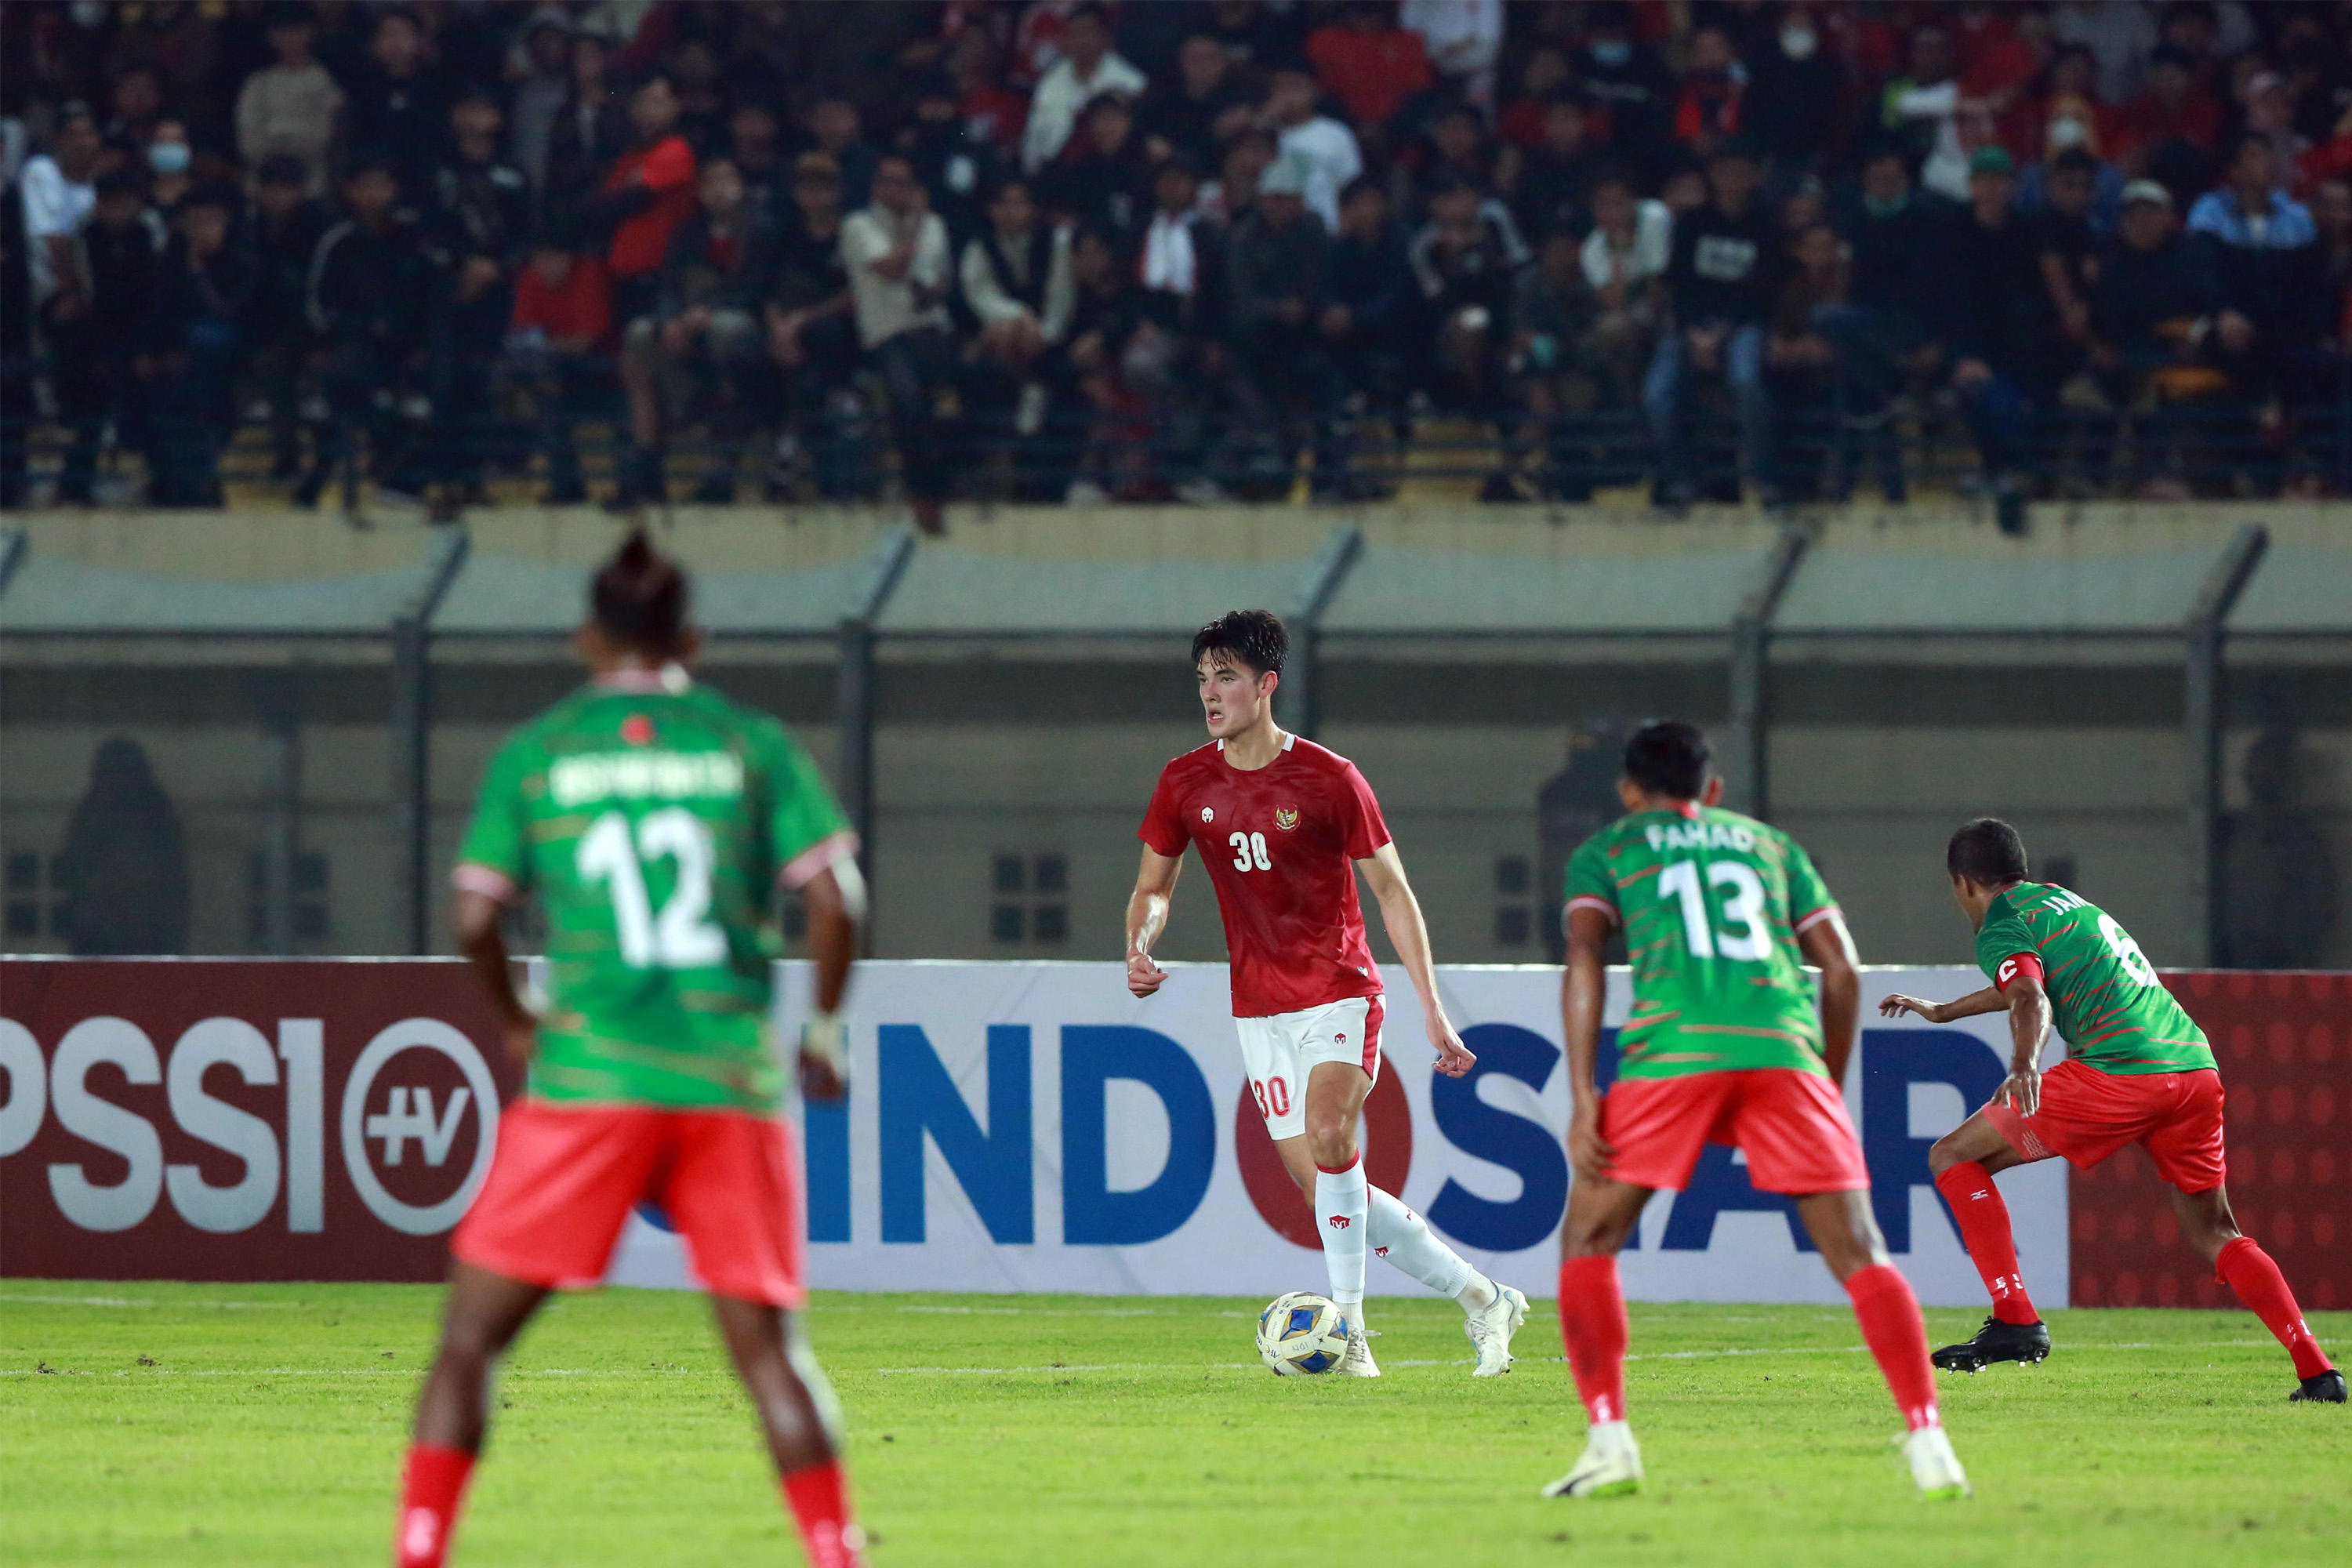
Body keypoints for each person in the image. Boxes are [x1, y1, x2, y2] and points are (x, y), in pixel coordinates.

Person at [394, 531, 873, 1568]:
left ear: (586, 638)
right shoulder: (750, 743)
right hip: (726, 1084)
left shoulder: (541, 751)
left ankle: (420, 1553)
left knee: (470, 1342)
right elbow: (837, 900)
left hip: (590, 1081)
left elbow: (475, 918)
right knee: (772, 1359)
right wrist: (824, 1029)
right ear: (691, 637)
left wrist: (519, 1023)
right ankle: (837, 1553)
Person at [1544, 720, 1967, 1501]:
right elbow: (1842, 969)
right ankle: (1930, 1438)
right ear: (1712, 789)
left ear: (1629, 790)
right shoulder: (1772, 847)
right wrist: (1825, 1081)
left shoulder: (1610, 848)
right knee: (1861, 1251)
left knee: (1589, 1235)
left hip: (1674, 1052)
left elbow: (1584, 961)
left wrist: (1582, 1095)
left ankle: (1609, 1442)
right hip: (1782, 1048)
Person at [1127, 610, 1527, 1381]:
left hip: (1340, 987)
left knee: (1330, 1133)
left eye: (1228, 677)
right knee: (1333, 1190)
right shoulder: (1184, 781)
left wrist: (1434, 1010)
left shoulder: (1329, 778)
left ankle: (1352, 1334)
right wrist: (1139, 941)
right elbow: (1152, 886)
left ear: (1266, 685)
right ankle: (1484, 1296)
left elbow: (1393, 891)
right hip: (1259, 1006)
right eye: (1204, 677)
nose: (1211, 693)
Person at [1878, 818, 2343, 1405]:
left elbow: (2028, 994)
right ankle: (2318, 1371)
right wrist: (1947, 1011)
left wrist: (2025, 1063)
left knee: (1952, 1156)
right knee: (2218, 1231)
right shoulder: (2066, 904)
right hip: (2195, 1071)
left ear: (1963, 883)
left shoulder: (2001, 923)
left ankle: (2016, 1318)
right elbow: (2026, 982)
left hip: (2121, 1072)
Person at [1646, 139, 1778, 505]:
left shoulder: (1766, 225)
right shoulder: (1690, 223)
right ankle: (1680, 480)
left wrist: (1721, 334)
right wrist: (1694, 333)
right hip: (1690, 326)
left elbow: (1761, 292)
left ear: (1754, 177)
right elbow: (1679, 284)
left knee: (1746, 381)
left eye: (1740, 172)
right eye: (1724, 172)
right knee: (1657, 395)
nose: (1732, 180)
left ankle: (1762, 476)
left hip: (1742, 326)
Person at [843, 154, 956, 534]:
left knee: (964, 393)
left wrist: (935, 289)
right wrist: (914, 225)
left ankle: (952, 483)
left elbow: (937, 278)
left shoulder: (937, 226)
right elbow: (893, 268)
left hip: (931, 329)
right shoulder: (859, 226)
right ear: (876, 187)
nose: (898, 190)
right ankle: (923, 492)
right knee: (906, 401)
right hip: (888, 334)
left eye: (905, 182)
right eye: (890, 182)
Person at [56, 737, 189, 956]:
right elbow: (73, 872)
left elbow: (173, 895)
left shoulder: (157, 820)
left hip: (147, 944)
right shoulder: (90, 817)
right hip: (97, 944)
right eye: (108, 772)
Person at [1022, 3, 1146, 176]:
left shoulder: (1131, 82)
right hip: (1051, 177)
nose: (1080, 40)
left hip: (1109, 176)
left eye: (1086, 32)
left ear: (1104, 35)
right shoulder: (1051, 80)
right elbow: (1033, 137)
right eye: (1074, 33)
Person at [235, 2, 342, 194]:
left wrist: (286, 144)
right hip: (263, 183)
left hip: (311, 183)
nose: (289, 38)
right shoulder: (258, 83)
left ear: (311, 33)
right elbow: (248, 139)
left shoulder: (325, 82)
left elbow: (323, 135)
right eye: (282, 32)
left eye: (296, 31)